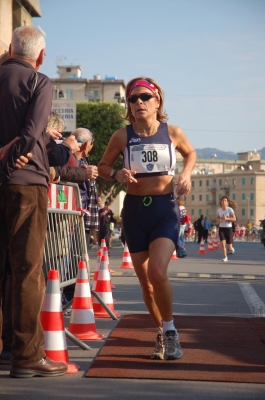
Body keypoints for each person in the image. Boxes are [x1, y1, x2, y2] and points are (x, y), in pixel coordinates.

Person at [98, 77, 196, 360]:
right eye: (132, 99)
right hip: (135, 210)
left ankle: (171, 332)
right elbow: (103, 166)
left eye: (144, 97)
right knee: (146, 283)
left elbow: (191, 154)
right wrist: (116, 173)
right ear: (128, 105)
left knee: (157, 273)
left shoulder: (172, 133)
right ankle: (162, 332)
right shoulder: (122, 136)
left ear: (158, 102)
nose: (139, 102)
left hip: (165, 209)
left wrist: (186, 174)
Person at [0, 26, 79, 378]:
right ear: (41, 55)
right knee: (26, 271)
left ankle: (7, 347)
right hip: (26, 183)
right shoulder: (39, 81)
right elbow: (33, 133)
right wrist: (14, 156)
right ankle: (27, 355)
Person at [216, 196, 237, 262]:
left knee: (229, 245)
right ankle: (225, 257)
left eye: (225, 200)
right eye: (222, 200)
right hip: (221, 228)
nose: (223, 201)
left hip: (228, 228)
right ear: (221, 202)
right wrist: (219, 220)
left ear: (227, 203)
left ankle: (231, 248)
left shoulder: (230, 210)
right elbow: (217, 218)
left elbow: (234, 219)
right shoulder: (219, 210)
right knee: (222, 243)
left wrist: (227, 218)